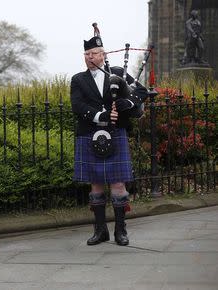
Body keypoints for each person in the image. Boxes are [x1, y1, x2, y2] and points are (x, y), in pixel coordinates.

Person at [70, 30, 147, 246]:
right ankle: (100, 231)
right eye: (86, 54)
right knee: (95, 186)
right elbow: (77, 106)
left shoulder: (117, 73)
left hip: (115, 133)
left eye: (93, 53)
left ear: (103, 54)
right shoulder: (78, 80)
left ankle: (120, 231)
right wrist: (100, 115)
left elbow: (140, 91)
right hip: (89, 133)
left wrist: (128, 103)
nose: (89, 58)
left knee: (118, 186)